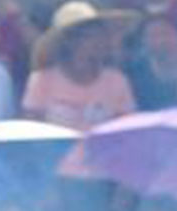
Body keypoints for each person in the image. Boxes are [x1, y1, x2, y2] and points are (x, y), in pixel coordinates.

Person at [21, 2, 138, 130]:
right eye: (91, 36)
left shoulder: (117, 82)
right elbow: (32, 132)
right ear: (70, 41)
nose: (100, 42)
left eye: (102, 36)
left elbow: (126, 131)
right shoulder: (42, 81)